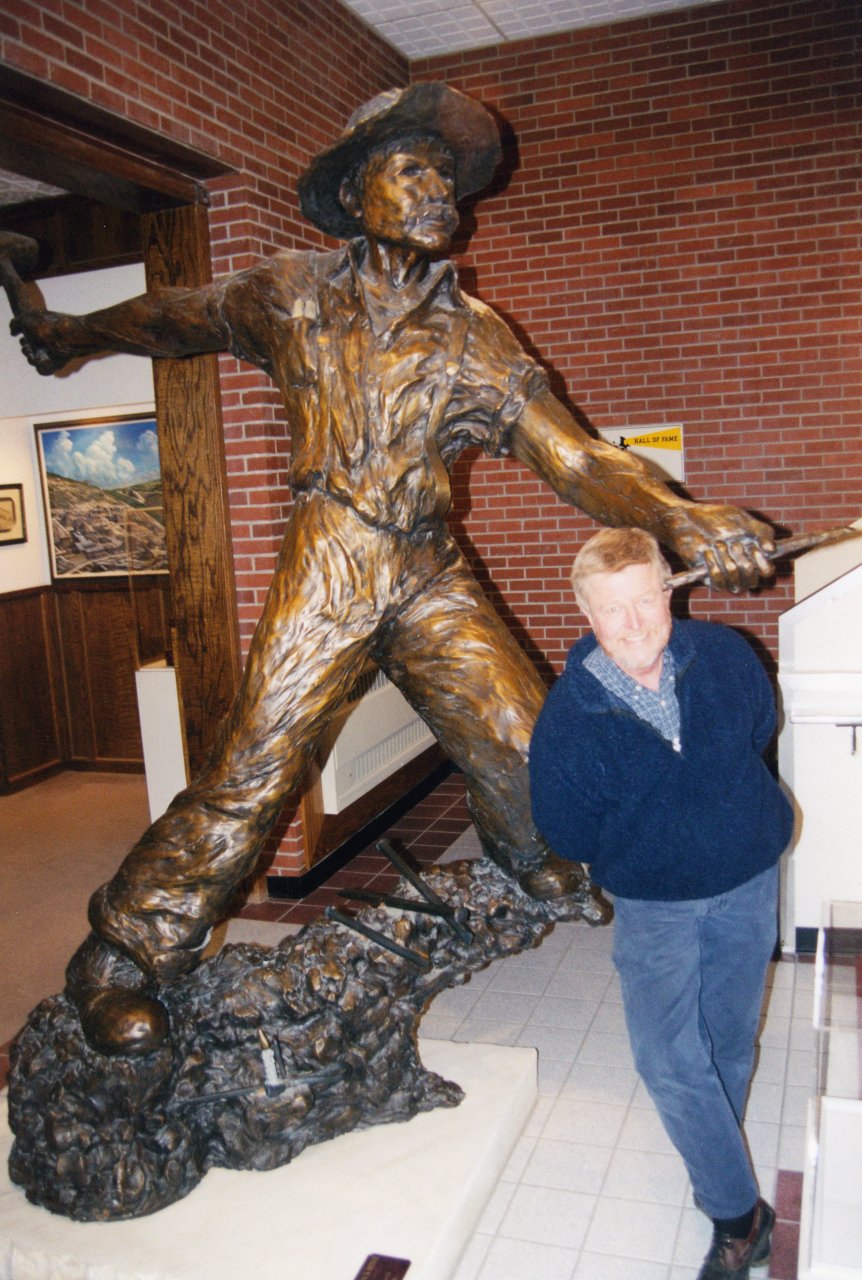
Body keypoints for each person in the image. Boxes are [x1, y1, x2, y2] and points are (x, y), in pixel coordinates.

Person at [11, 83, 777, 1058]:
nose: (437, 193)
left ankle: (536, 861)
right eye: (411, 168)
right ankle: (122, 955)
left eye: (447, 180)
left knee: (524, 739)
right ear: (356, 189)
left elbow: (577, 459)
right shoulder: (288, 291)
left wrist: (677, 514)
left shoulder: (475, 336)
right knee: (255, 770)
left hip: (427, 563)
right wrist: (77, 332)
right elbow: (177, 318)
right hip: (331, 551)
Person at [529, 527, 793, 1280]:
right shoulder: (569, 720)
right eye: (614, 610)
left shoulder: (727, 655)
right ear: (587, 612)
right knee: (669, 1058)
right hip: (655, 907)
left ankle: (713, 1154)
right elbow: (567, 829)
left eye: (646, 599)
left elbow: (759, 730)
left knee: (731, 1037)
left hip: (749, 878)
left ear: (670, 589)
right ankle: (741, 1217)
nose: (635, 622)